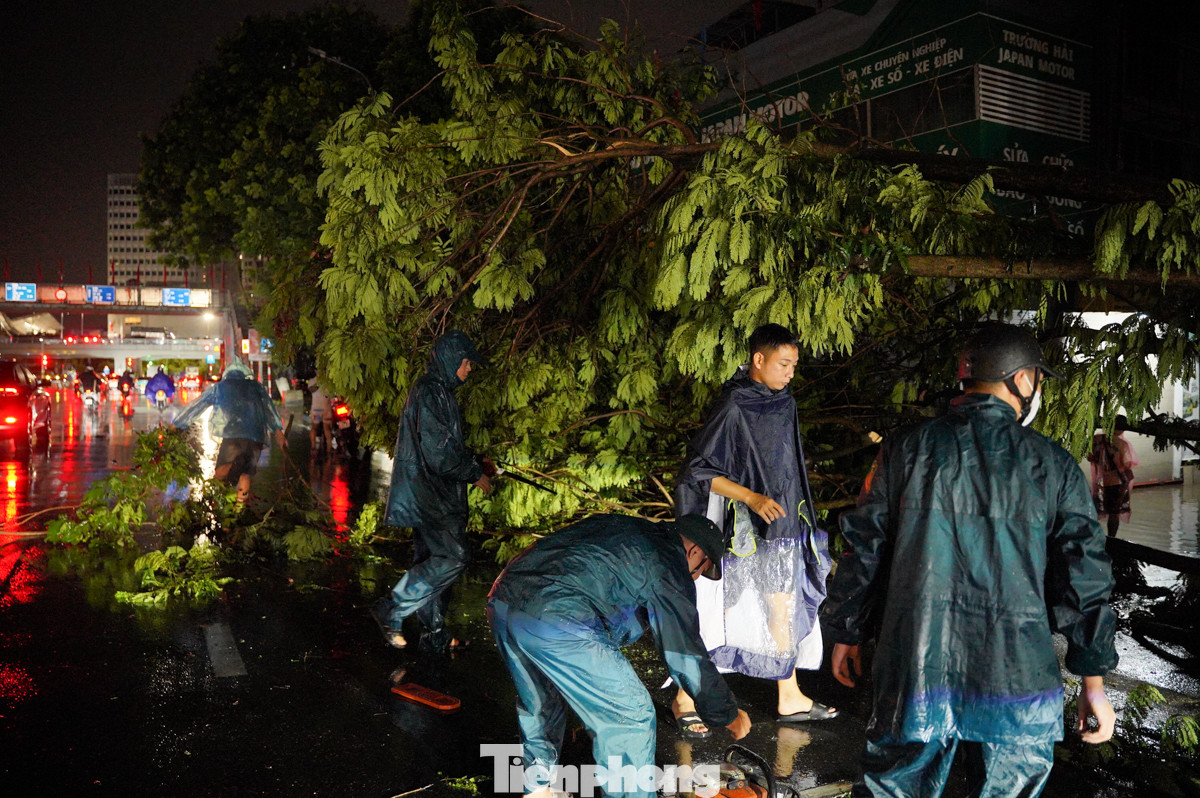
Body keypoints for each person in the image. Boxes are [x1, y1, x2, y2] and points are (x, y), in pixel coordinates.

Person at [822, 323, 1118, 798]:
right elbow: (1084, 577)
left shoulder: (903, 449)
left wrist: (845, 632)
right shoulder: (1053, 464)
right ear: (1021, 381)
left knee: (895, 789)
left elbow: (864, 548)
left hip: (915, 667)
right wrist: (1093, 681)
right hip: (1017, 678)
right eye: (1037, 380)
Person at [488, 513, 752, 798]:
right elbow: (684, 652)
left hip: (504, 599)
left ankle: (537, 788)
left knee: (541, 699)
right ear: (695, 551)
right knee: (629, 716)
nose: (696, 576)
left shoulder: (625, 527)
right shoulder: (668, 562)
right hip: (559, 618)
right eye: (702, 569)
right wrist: (725, 712)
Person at [671, 323, 832, 738]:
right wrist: (751, 498)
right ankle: (686, 698)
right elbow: (699, 472)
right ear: (758, 360)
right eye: (783, 363)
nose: (790, 372)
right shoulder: (734, 405)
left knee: (782, 603)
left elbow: (787, 466)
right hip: (738, 530)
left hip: (782, 525)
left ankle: (790, 694)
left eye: (794, 365)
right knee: (717, 608)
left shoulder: (785, 403)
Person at [374, 330, 490, 654]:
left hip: (430, 495)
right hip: (434, 498)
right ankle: (393, 606)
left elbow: (443, 445)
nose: (469, 369)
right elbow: (439, 455)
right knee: (453, 557)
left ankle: (435, 634)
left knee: (432, 563)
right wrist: (474, 473)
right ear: (454, 360)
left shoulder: (437, 391)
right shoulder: (431, 392)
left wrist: (476, 461)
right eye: (467, 363)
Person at [172, 359, 287, 504]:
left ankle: (223, 496)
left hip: (232, 436)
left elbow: (198, 405)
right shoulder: (257, 388)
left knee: (220, 473)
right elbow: (270, 410)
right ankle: (239, 506)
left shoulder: (221, 387)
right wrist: (279, 434)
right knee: (246, 473)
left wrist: (178, 424)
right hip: (255, 437)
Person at [1089, 416, 1138, 537]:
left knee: (1096, 510)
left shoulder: (1096, 440)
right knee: (1114, 513)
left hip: (1101, 481)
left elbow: (1090, 457)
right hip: (1117, 482)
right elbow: (1127, 464)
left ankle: (1094, 537)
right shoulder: (1122, 444)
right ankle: (1111, 538)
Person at [308, 378, 333, 454]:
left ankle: (313, 447)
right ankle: (329, 448)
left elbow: (311, 390)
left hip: (317, 410)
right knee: (327, 428)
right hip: (326, 409)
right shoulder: (329, 381)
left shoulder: (312, 381)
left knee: (314, 427)